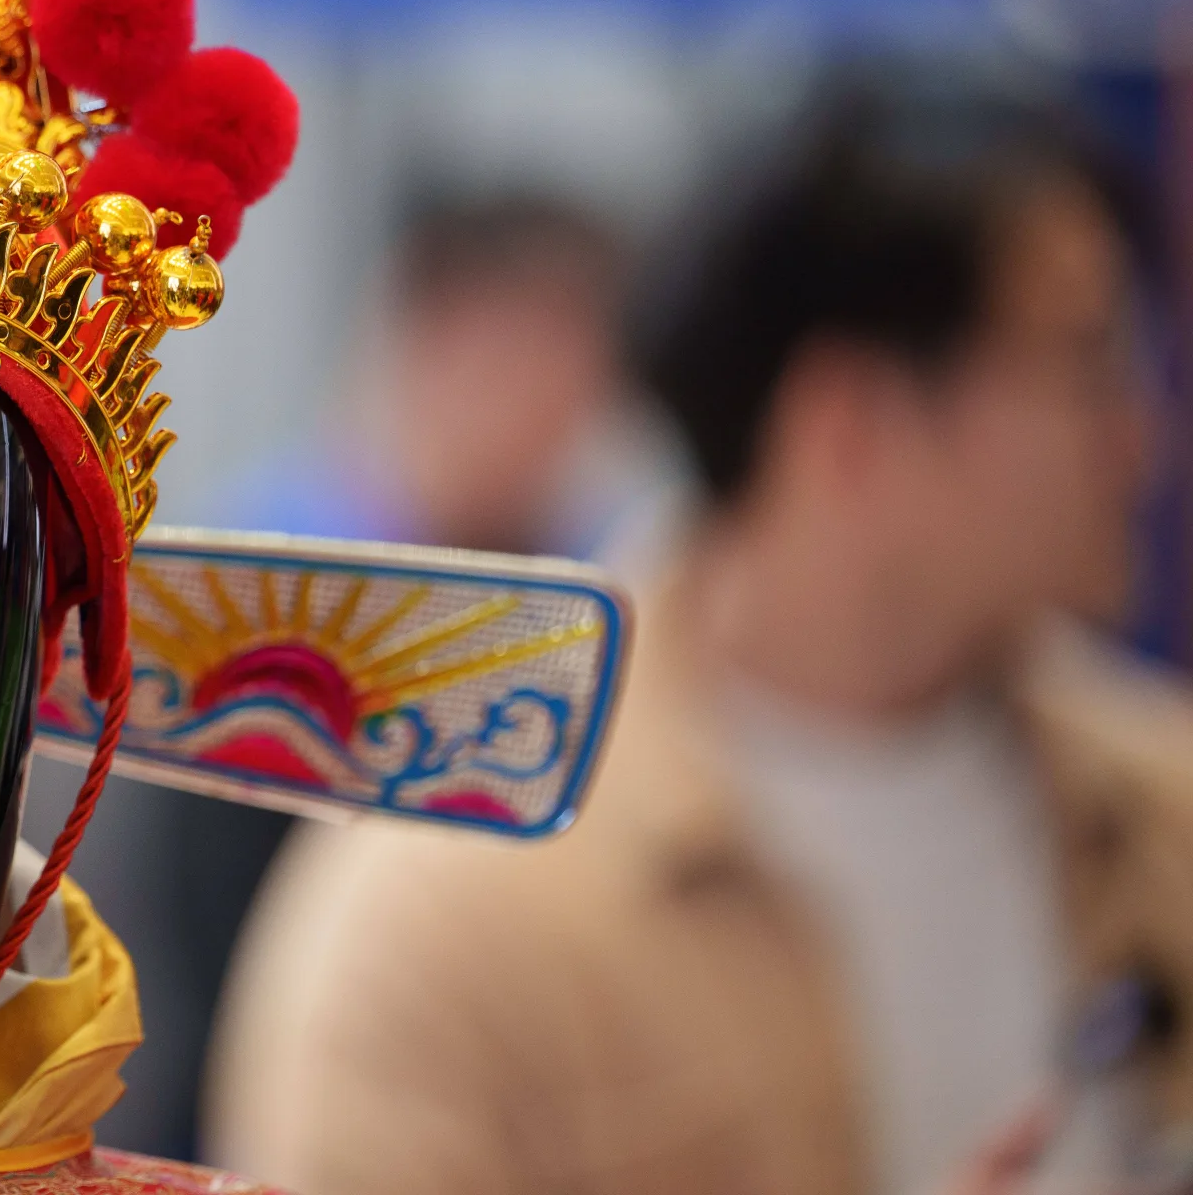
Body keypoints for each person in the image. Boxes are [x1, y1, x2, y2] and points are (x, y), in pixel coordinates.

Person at [207, 68, 1193, 1195]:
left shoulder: (1160, 814)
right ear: (850, 420)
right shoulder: (447, 917)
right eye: (1085, 363)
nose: (1144, 435)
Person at [215, 186, 630, 558]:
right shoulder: (259, 554)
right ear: (427, 346)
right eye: (504, 371)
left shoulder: (611, 561)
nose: (531, 419)